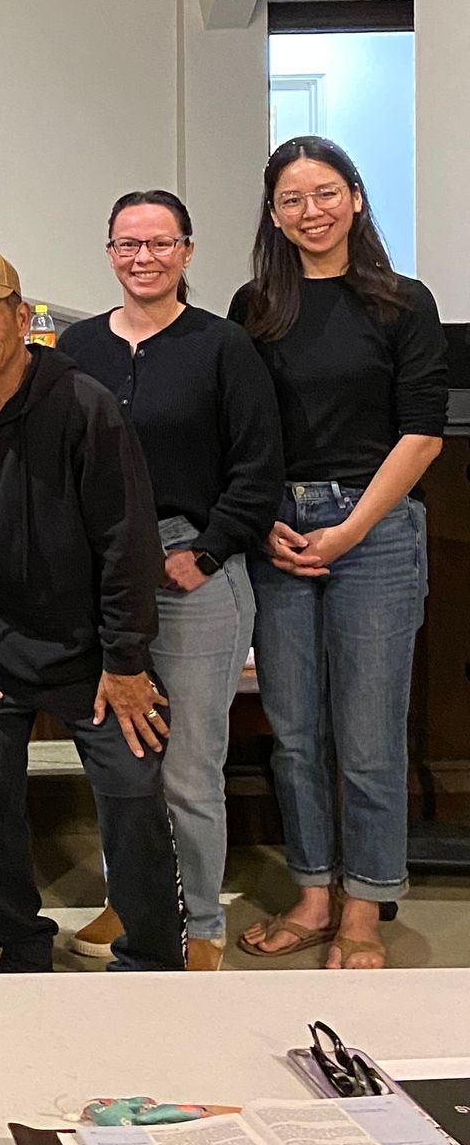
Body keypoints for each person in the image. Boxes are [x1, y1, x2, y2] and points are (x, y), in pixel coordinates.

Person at [0, 247, 183, 973]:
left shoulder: (84, 406)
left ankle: (152, 957)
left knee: (133, 794)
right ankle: (22, 946)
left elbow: (127, 543)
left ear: (22, 319)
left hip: (94, 654)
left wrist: (125, 661)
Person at [230, 138, 446, 971]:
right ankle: (313, 889)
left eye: (325, 194)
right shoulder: (256, 306)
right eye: (291, 199)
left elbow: (422, 435)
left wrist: (350, 530)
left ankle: (364, 906)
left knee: (367, 737)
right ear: (274, 214)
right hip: (279, 532)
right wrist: (263, 524)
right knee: (292, 730)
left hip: (377, 532)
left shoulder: (402, 302)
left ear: (355, 199)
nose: (309, 211)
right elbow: (242, 432)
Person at [58, 192, 285, 971]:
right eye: (128, 244)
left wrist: (209, 551)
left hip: (193, 570)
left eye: (161, 243)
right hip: (102, 576)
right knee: (121, 759)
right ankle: (134, 899)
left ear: (187, 252)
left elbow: (259, 468)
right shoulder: (78, 347)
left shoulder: (223, 347)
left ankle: (202, 923)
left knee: (187, 763)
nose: (144, 258)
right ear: (110, 252)